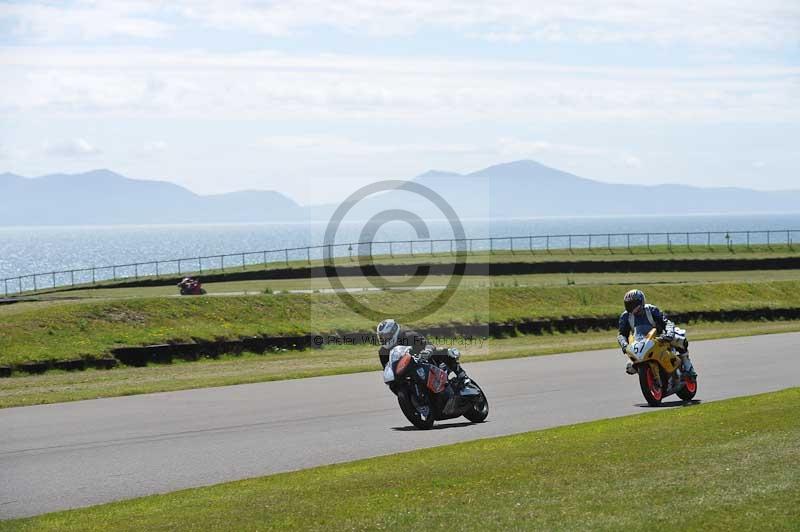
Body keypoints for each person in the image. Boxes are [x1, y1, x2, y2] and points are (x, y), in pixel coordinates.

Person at [617, 289, 696, 377]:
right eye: (628, 305)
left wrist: (669, 334)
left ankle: (688, 366)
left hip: (659, 339)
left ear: (641, 302)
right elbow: (622, 334)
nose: (631, 307)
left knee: (680, 340)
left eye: (633, 304)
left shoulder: (651, 310)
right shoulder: (625, 316)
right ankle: (649, 375)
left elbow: (666, 322)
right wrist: (624, 344)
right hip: (639, 343)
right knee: (630, 368)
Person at [376, 319, 468, 386]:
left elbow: (428, 344)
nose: (384, 339)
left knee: (441, 352)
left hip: (424, 361)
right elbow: (387, 369)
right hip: (407, 373)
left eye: (386, 336)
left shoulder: (410, 336)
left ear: (394, 332)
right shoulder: (383, 352)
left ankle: (462, 375)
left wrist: (427, 351)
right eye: (381, 337)